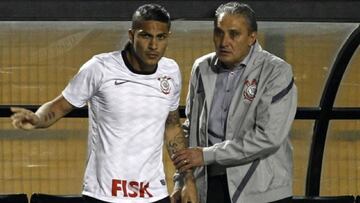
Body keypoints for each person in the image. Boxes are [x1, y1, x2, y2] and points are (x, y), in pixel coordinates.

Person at [10, 4, 197, 203]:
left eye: (161, 37)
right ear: (131, 35)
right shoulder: (100, 68)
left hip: (153, 195)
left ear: (168, 37)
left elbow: (172, 127)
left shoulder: (170, 71)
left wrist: (187, 179)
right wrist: (38, 118)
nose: (153, 45)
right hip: (104, 194)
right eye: (145, 36)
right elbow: (59, 106)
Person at [170, 2, 297, 203]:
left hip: (261, 193)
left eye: (234, 34)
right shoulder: (202, 68)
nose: (224, 42)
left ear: (252, 37)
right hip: (211, 188)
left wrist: (206, 155)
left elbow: (268, 137)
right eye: (219, 33)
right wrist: (182, 180)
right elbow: (191, 128)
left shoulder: (276, 71)